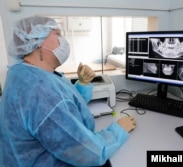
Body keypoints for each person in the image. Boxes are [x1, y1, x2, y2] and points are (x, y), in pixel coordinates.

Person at [0, 16, 136, 167]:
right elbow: (85, 153)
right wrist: (117, 132)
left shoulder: (23, 73)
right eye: (57, 34)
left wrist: (83, 84)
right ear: (37, 41)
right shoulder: (41, 90)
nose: (63, 41)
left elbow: (62, 107)